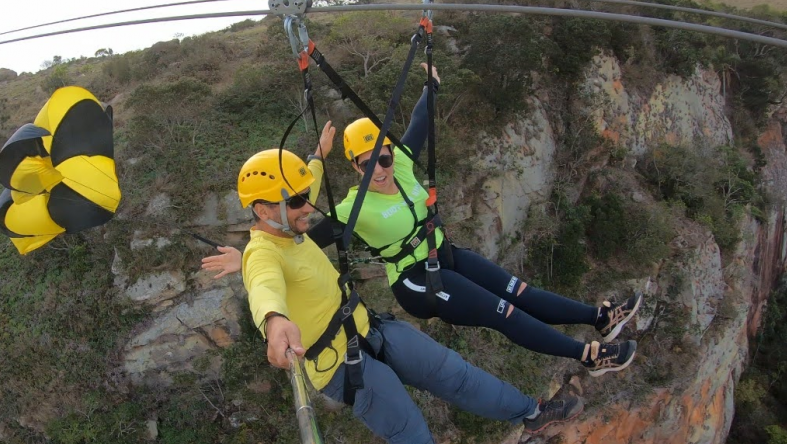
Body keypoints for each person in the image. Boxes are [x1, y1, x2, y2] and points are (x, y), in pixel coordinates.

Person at [234, 142, 583, 444]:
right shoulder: (261, 255)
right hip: (343, 368)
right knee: (415, 439)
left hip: (371, 329)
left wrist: (317, 154)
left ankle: (531, 413)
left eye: (304, 196)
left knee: (456, 373)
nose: (308, 208)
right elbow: (263, 286)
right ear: (263, 210)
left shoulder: (286, 222)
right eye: (297, 201)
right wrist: (274, 320)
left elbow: (307, 183)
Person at [203, 63, 642, 377]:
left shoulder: (406, 164)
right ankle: (588, 355)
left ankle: (597, 317)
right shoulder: (352, 209)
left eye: (383, 157)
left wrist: (429, 81)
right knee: (503, 311)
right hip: (416, 280)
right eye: (364, 163)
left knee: (517, 289)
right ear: (355, 168)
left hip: (443, 254)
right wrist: (246, 256)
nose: (378, 168)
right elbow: (298, 238)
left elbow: (418, 119)